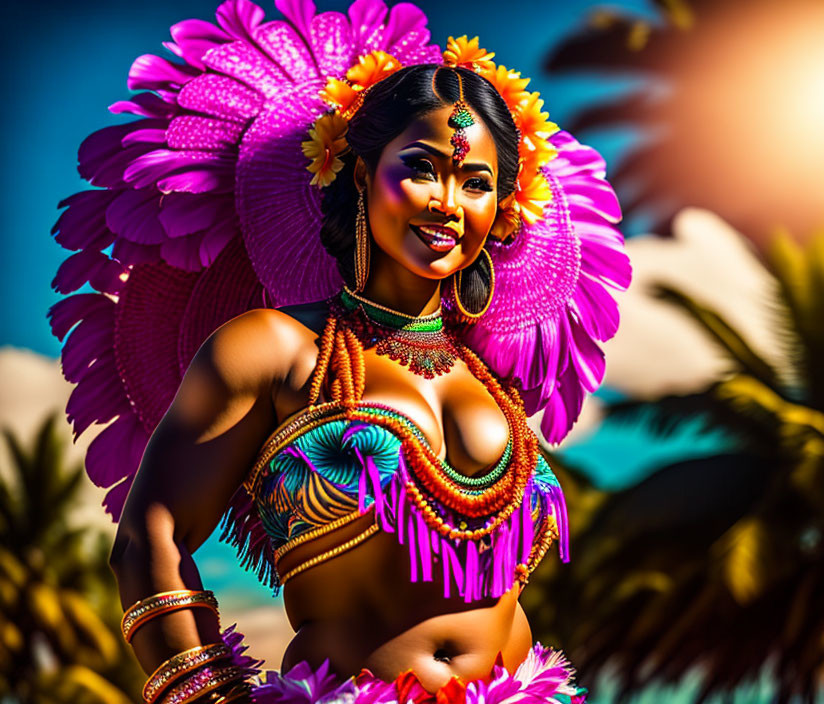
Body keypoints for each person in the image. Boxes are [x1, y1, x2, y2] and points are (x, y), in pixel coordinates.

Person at [49, 1, 631, 702]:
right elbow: (152, 538)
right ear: (358, 175)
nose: (448, 202)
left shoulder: (486, 376)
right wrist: (206, 695)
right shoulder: (273, 349)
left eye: (476, 182)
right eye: (422, 168)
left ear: (503, 206)